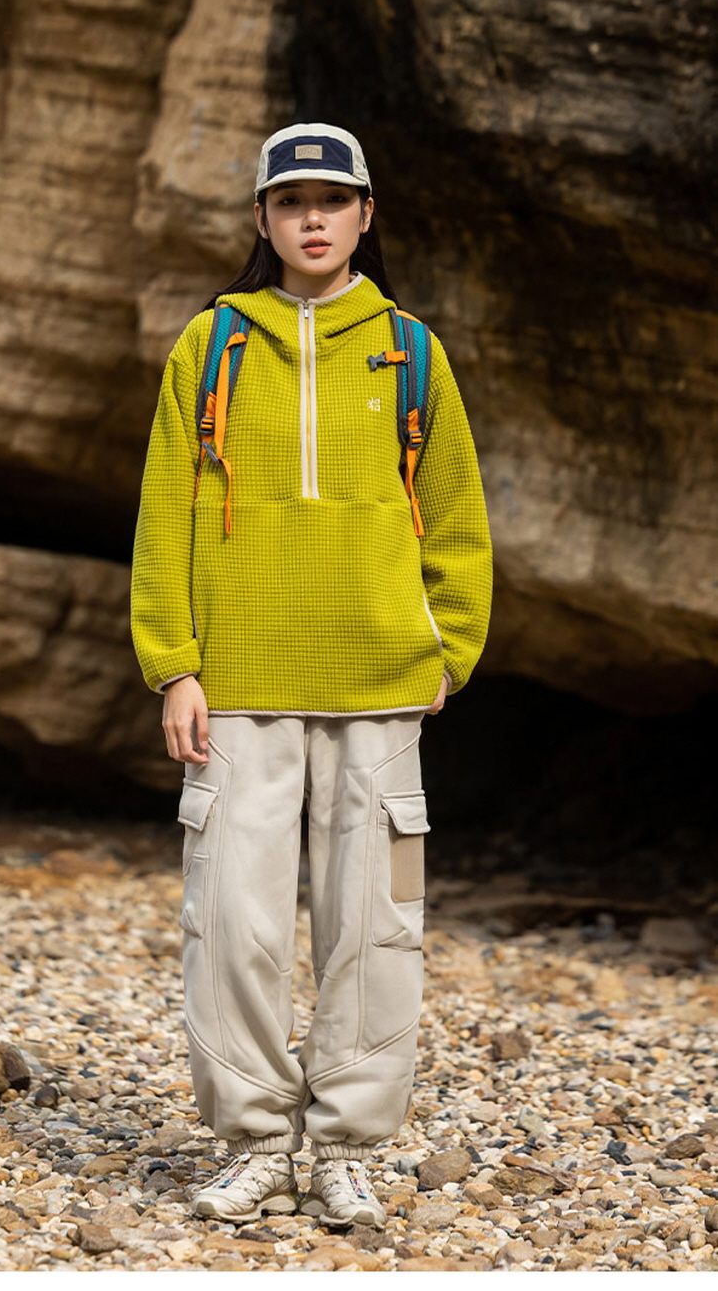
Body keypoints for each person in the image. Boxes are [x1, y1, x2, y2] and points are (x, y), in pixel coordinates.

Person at [130, 122, 492, 1228]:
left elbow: (457, 517)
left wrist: (449, 646)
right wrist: (173, 666)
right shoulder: (211, 345)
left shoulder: (411, 350)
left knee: (372, 933)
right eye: (292, 202)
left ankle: (340, 1149)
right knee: (230, 928)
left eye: (333, 200)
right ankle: (251, 1143)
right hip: (236, 685)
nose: (314, 219)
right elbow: (164, 511)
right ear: (262, 218)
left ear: (366, 214)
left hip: (378, 686)